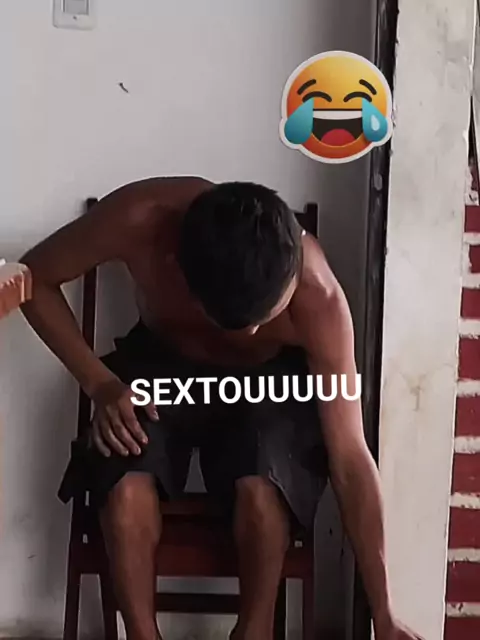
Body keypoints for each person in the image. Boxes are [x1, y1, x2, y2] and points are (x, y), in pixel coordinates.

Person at [21, 177, 422, 640]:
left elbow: (350, 456)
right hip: (160, 365)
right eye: (236, 323)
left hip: (268, 383)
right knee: (124, 479)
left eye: (267, 318)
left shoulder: (321, 300)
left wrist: (384, 614)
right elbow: (33, 279)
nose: (249, 334)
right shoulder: (140, 218)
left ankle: (253, 632)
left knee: (265, 488)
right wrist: (100, 383)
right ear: (181, 271)